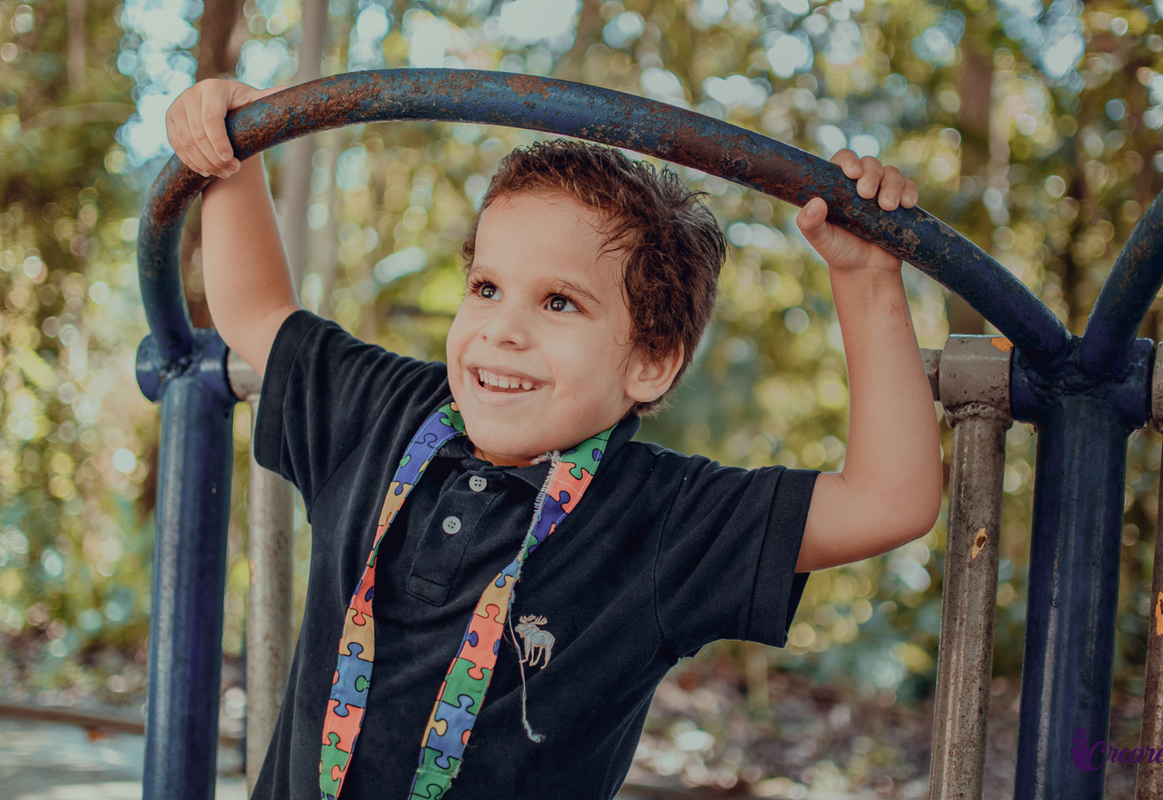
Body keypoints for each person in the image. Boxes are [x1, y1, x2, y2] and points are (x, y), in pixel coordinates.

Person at [166, 79, 941, 800]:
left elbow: (887, 500)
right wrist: (227, 144)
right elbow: (257, 313)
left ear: (650, 360)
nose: (502, 329)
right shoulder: (388, 410)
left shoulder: (663, 518)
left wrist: (867, 281)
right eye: (487, 288)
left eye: (560, 303)